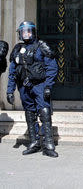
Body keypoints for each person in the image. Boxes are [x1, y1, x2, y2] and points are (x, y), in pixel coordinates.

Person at [6, 21, 58, 157]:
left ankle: (48, 144)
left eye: (29, 31)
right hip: (23, 86)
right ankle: (34, 141)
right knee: (29, 112)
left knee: (44, 111)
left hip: (39, 85)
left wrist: (48, 86)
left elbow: (52, 67)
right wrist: (9, 90)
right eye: (24, 32)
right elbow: (12, 71)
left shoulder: (41, 46)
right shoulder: (17, 49)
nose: (26, 34)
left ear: (33, 32)